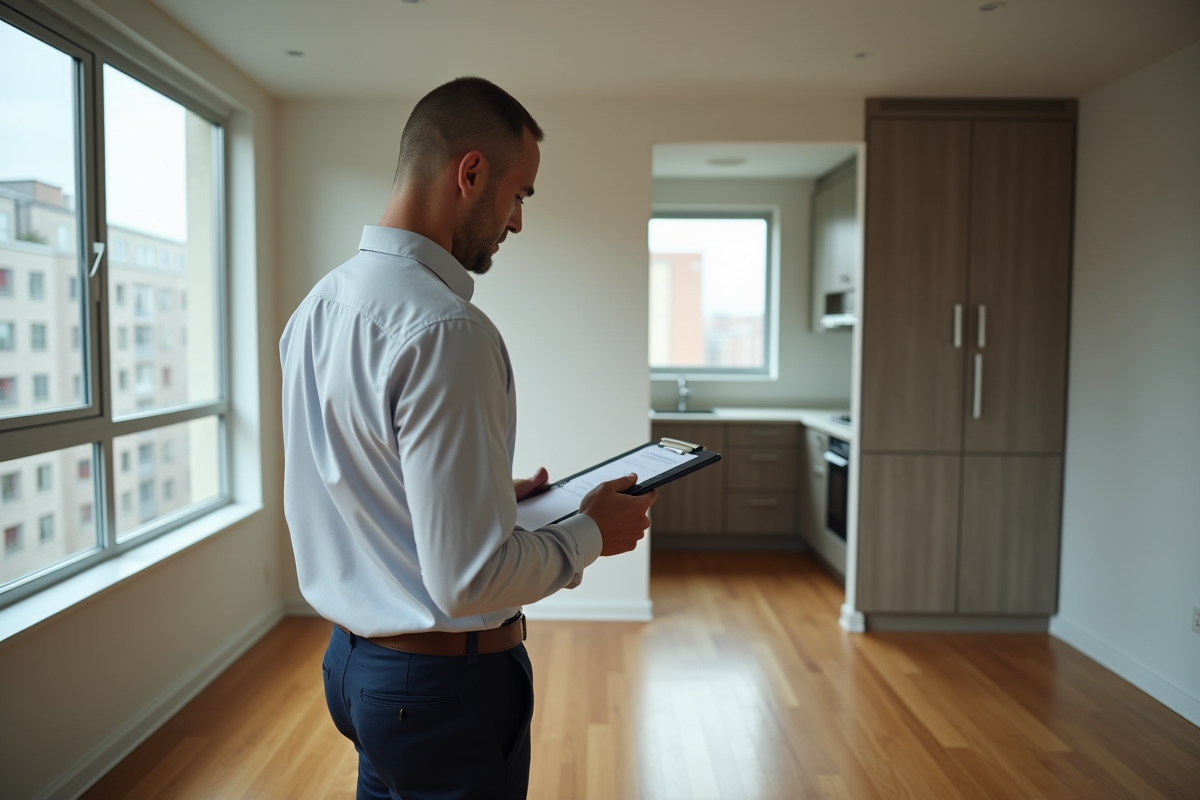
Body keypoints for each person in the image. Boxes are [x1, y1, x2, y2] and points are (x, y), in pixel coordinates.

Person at [279, 76, 657, 800]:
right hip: (440, 692)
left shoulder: (317, 309)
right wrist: (590, 532)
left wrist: (485, 494)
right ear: (471, 173)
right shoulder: (447, 330)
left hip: (356, 672)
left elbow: (353, 480)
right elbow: (468, 581)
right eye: (520, 196)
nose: (517, 223)